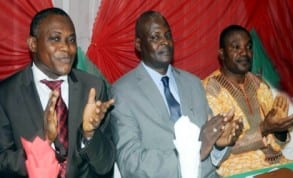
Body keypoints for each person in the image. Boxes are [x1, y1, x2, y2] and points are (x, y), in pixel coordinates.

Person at [109, 10, 242, 178]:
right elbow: (131, 162)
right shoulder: (122, 92)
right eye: (155, 37)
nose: (165, 42)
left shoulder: (193, 83)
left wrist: (219, 144)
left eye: (167, 35)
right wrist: (193, 152)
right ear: (138, 44)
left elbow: (209, 152)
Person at [0, 7, 115, 178]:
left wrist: (89, 135)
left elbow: (106, 165)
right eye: (55, 39)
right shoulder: (6, 94)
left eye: (71, 40)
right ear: (33, 44)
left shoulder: (93, 88)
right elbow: (3, 163)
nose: (66, 48)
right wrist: (45, 142)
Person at [204, 24, 293, 176]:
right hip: (238, 169)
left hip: (278, 163)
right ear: (221, 54)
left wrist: (280, 130)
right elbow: (223, 148)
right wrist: (264, 129)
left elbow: (278, 144)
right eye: (236, 47)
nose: (244, 53)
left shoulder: (260, 85)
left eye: (248, 47)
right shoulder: (210, 90)